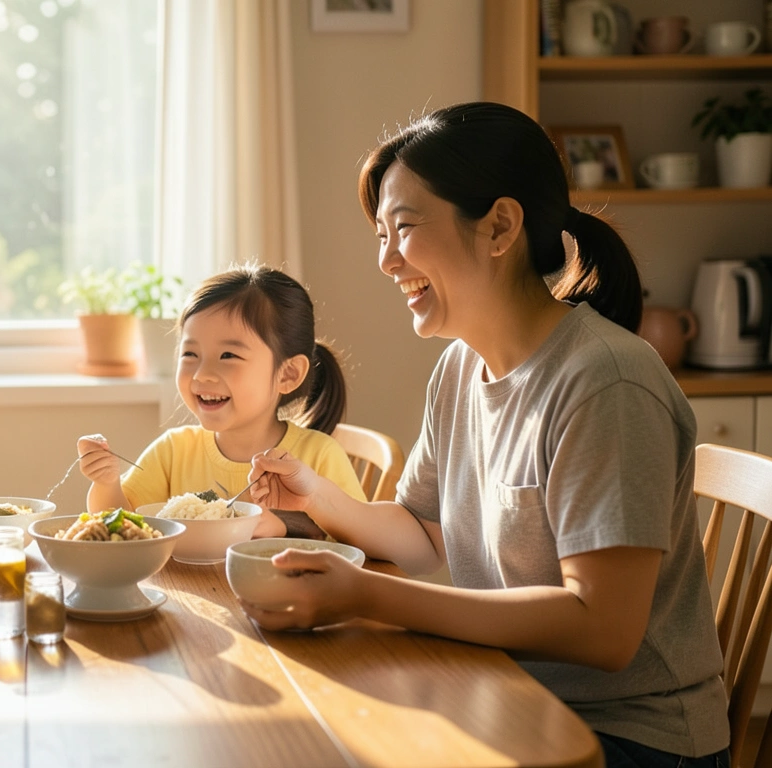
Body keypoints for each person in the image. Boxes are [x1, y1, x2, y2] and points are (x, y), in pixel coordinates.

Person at [243, 102, 729, 766]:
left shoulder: (607, 382)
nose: (387, 261)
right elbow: (422, 538)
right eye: (379, 235)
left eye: (405, 229)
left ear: (499, 226)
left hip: (626, 739)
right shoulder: (460, 368)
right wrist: (319, 499)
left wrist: (368, 594)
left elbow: (605, 629)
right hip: (507, 692)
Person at [78, 265, 365, 539]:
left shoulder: (319, 456)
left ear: (287, 374)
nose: (202, 375)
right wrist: (106, 482)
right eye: (190, 354)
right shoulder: (173, 451)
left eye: (228, 356)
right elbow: (121, 527)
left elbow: (359, 544)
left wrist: (284, 529)